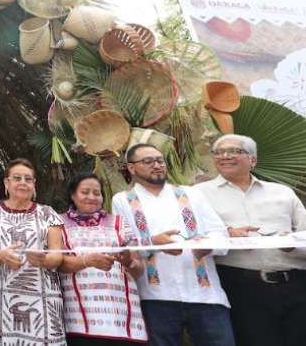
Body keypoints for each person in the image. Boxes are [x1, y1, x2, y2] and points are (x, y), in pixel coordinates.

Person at [111, 143, 234, 346]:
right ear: (131, 168)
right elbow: (124, 245)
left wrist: (208, 246)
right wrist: (153, 243)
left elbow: (219, 232)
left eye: (160, 160)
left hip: (205, 294)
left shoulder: (191, 194)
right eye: (148, 161)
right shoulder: (123, 200)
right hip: (156, 296)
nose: (157, 165)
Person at [195, 134, 306, 346]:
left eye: (235, 151)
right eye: (219, 152)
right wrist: (227, 234)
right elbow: (191, 237)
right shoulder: (196, 194)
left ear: (253, 160)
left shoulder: (282, 192)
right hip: (240, 285)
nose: (225, 156)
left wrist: (292, 246)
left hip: (296, 284)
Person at [0, 158, 65, 346]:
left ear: (34, 185)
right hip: (3, 297)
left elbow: (57, 255)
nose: (23, 183)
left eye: (28, 179)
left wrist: (43, 259)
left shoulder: (47, 213)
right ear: (6, 183)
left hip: (43, 297)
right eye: (17, 178)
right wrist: (0, 255)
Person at [57, 173, 148, 345]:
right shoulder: (57, 223)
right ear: (72, 195)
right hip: (80, 320)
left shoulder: (120, 223)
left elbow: (139, 268)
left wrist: (128, 261)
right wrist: (87, 261)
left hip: (125, 318)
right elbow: (57, 263)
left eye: (97, 193)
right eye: (85, 192)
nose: (91, 197)